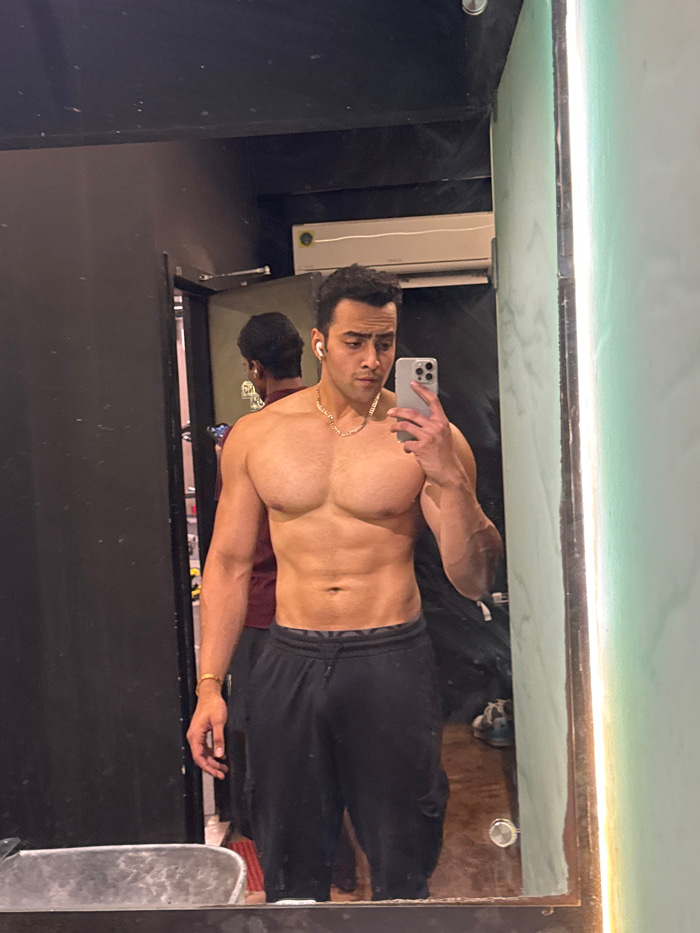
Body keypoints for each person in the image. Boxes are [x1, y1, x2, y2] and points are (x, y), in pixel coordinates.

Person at [187, 264, 502, 902]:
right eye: (355, 341)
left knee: (403, 854)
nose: (372, 360)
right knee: (289, 855)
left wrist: (449, 477)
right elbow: (227, 564)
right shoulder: (257, 436)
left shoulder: (429, 439)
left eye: (384, 342)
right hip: (289, 656)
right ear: (320, 341)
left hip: (388, 657)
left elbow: (473, 578)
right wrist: (210, 684)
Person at [216, 312, 306, 838]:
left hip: (258, 616)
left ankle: (268, 845)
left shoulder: (247, 437)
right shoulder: (326, 426)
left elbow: (233, 554)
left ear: (255, 369)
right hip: (314, 614)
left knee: (262, 742)